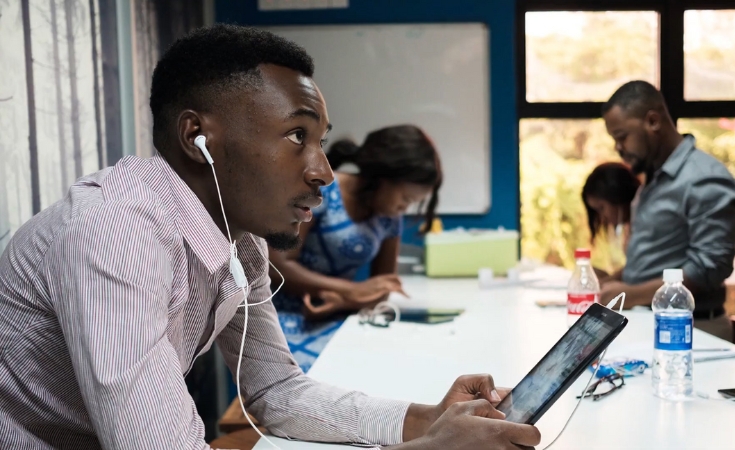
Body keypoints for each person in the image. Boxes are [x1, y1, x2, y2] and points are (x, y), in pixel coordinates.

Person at [0, 25, 541, 449]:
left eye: (320, 141)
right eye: (296, 136)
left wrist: (428, 421)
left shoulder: (241, 239)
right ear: (199, 138)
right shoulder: (114, 233)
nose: (324, 171)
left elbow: (275, 391)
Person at [269, 125, 442, 370]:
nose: (405, 208)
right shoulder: (323, 194)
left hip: (337, 316)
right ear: (381, 179)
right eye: (405, 199)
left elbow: (382, 287)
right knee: (314, 382)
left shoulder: (390, 218)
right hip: (285, 317)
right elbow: (276, 265)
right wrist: (349, 291)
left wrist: (343, 302)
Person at [599, 80, 735, 341]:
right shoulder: (655, 178)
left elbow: (708, 268)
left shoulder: (703, 179)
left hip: (693, 331)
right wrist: (615, 280)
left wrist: (629, 294)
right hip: (652, 324)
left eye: (622, 137)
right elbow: (658, 255)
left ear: (653, 121)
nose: (618, 148)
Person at [581, 162, 641, 251]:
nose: (601, 217)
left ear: (616, 196)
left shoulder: (645, 226)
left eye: (601, 208)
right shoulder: (631, 227)